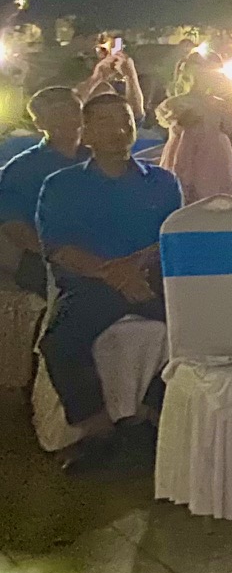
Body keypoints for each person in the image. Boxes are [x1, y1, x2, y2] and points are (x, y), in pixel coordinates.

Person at [35, 94, 182, 472]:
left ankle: (150, 415)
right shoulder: (61, 185)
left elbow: (171, 237)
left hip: (149, 281)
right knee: (59, 343)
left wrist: (132, 269)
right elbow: (59, 248)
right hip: (90, 283)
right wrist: (111, 274)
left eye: (126, 119)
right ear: (86, 132)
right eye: (105, 121)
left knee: (204, 330)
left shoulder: (164, 182)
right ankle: (97, 430)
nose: (118, 129)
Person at [0, 86, 89, 294]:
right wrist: (58, 255)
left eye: (73, 110)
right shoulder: (22, 169)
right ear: (39, 123)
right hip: (47, 257)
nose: (69, 119)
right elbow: (15, 227)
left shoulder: (98, 159)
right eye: (58, 114)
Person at [155, 86, 232, 202]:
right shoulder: (176, 103)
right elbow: (166, 121)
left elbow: (229, 126)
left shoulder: (220, 104)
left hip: (214, 154)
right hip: (186, 149)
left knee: (215, 188)